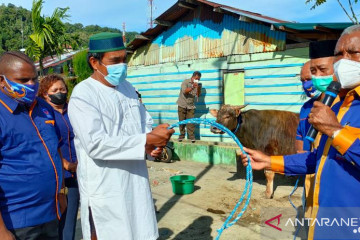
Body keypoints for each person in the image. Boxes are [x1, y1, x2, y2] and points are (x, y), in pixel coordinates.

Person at [241, 25, 360, 240]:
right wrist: (269, 162)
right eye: (339, 54)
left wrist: (335, 131)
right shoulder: (337, 106)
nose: (344, 60)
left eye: (353, 53)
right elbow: (319, 159)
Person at [68, 32, 174, 240]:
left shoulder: (128, 88)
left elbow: (145, 123)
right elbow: (96, 144)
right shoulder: (83, 95)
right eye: (115, 61)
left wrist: (151, 144)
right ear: (94, 62)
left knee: (139, 230)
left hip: (135, 181)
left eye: (124, 59)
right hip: (106, 187)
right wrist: (146, 140)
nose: (122, 65)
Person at [0, 51, 66, 240]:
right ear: (2, 81)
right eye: (23, 80)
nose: (31, 85)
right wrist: (1, 231)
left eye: (34, 79)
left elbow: (56, 150)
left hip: (52, 213)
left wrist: (61, 192)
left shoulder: (44, 108)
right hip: (17, 221)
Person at [295, 40, 337, 220]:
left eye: (322, 71)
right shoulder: (305, 109)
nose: (308, 83)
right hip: (310, 172)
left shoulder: (343, 105)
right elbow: (300, 138)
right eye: (303, 80)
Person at [38, 74, 79, 240]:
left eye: (62, 89)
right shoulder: (42, 115)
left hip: (81, 171)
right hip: (61, 175)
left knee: (77, 216)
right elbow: (47, 146)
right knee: (63, 219)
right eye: (54, 90)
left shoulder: (75, 110)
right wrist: (66, 165)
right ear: (45, 94)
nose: (59, 92)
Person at [176, 71, 202, 143]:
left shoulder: (197, 84)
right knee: (182, 121)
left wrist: (198, 88)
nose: (197, 80)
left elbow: (198, 95)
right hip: (182, 104)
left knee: (191, 122)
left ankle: (191, 137)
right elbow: (185, 91)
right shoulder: (185, 82)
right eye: (196, 78)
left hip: (191, 106)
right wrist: (193, 86)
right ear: (193, 77)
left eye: (199, 79)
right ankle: (182, 135)